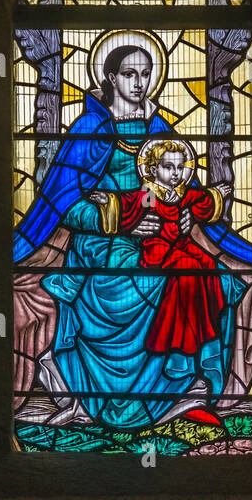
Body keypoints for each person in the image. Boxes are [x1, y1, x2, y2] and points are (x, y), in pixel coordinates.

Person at [12, 36, 252, 431]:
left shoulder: (160, 127)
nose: (139, 83)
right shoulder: (89, 129)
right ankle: (87, 386)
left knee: (204, 273)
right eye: (129, 74)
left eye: (145, 74)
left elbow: (181, 185)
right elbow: (64, 205)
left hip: (163, 237)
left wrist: (189, 217)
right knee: (147, 279)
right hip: (101, 245)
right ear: (110, 77)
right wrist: (120, 222)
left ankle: (182, 384)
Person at [94, 138, 230, 356]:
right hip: (158, 249)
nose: (175, 173)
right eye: (168, 167)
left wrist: (217, 196)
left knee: (208, 263)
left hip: (180, 244)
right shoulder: (150, 194)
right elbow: (132, 203)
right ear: (153, 169)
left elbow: (203, 201)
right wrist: (110, 202)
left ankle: (208, 330)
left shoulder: (183, 194)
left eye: (179, 167)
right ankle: (180, 346)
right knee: (189, 265)